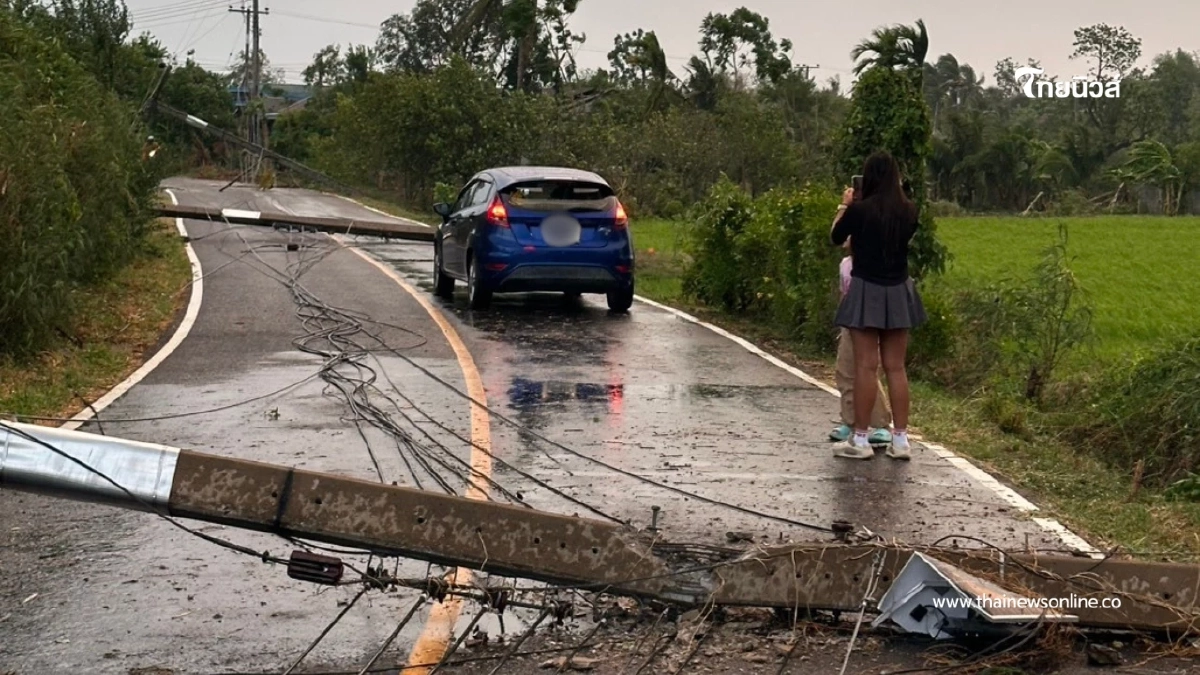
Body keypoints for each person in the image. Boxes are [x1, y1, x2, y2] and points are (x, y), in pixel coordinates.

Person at [829, 151, 927, 460]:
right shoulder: (909, 211)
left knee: (865, 366)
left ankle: (860, 439)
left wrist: (847, 206)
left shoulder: (859, 211)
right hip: (898, 290)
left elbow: (836, 237)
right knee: (896, 367)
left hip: (866, 289)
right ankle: (901, 440)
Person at [830, 238, 893, 446]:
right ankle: (850, 419)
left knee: (867, 371)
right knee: (845, 370)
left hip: (870, 321)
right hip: (850, 321)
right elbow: (843, 293)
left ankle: (881, 423)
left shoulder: (874, 263)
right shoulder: (845, 265)